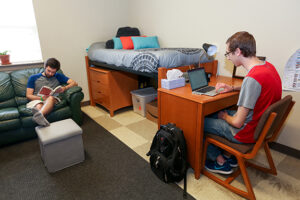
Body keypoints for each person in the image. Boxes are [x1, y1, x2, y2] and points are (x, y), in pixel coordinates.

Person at [204, 31, 282, 174]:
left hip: (245, 132)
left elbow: (237, 123)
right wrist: (233, 88)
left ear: (238, 52)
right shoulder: (268, 67)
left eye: (228, 54)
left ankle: (218, 161)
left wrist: (225, 117)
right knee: (217, 113)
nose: (227, 58)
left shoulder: (251, 78)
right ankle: (231, 156)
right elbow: (258, 87)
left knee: (200, 121)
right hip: (260, 127)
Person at [26, 58, 77, 126]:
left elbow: (74, 83)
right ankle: (41, 119)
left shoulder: (58, 76)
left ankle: (38, 116)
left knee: (50, 98)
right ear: (45, 67)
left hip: (52, 99)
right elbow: (28, 95)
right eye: (48, 71)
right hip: (38, 99)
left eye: (53, 72)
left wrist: (65, 88)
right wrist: (41, 98)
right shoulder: (33, 78)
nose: (50, 74)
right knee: (39, 105)